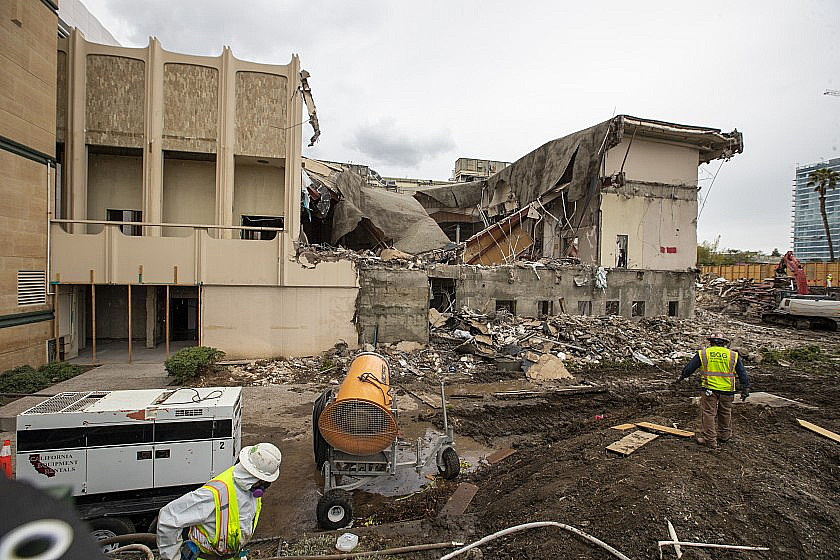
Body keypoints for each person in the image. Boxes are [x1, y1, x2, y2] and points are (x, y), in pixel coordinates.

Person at [157, 443, 282, 560]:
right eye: (264, 481)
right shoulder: (215, 493)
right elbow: (169, 517)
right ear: (254, 477)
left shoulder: (250, 491)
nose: (265, 486)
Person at [675, 333, 749, 449]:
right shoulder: (732, 355)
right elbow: (742, 373)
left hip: (710, 389)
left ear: (711, 342)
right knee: (725, 412)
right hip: (727, 390)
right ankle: (724, 436)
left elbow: (690, 368)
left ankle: (710, 440)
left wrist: (682, 377)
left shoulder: (704, 353)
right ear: (725, 343)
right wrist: (745, 387)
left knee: (709, 414)